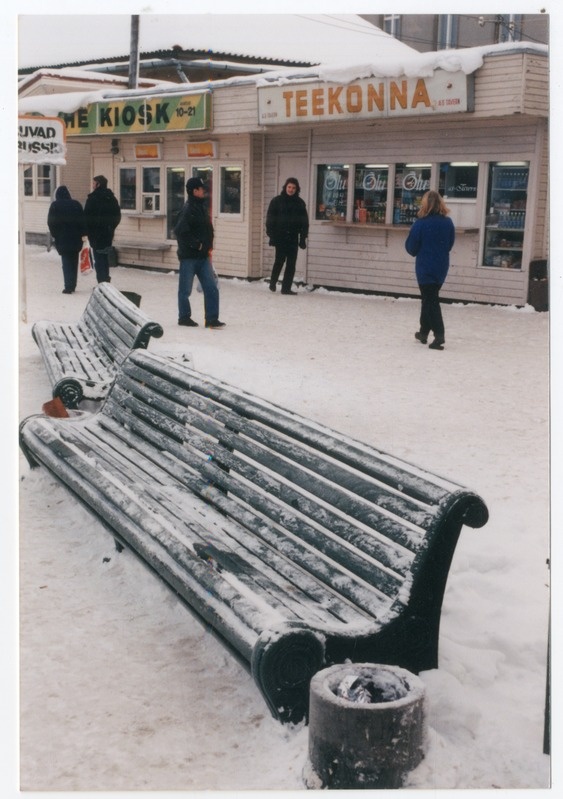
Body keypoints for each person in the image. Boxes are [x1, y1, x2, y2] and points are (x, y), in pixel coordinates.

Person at [405, 190, 455, 350]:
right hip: (441, 266)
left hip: (425, 266)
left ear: (425, 204)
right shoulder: (448, 223)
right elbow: (449, 244)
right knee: (428, 298)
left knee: (431, 300)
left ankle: (439, 335)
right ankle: (423, 332)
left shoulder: (420, 224)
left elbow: (411, 248)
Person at [174, 176, 225, 328]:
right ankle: (184, 317)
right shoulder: (188, 208)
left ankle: (211, 319)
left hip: (203, 257)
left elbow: (207, 229)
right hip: (189, 257)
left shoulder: (201, 207)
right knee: (185, 290)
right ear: (195, 191)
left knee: (211, 288)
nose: (204, 191)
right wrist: (198, 245)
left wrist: (208, 245)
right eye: (202, 189)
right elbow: (180, 231)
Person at [266, 177, 309, 295]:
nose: (291, 190)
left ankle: (286, 288)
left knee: (291, 264)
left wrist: (303, 238)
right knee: (279, 261)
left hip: (293, 238)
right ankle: (273, 282)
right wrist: (271, 235)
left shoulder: (300, 203)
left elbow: (304, 223)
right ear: (285, 187)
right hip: (280, 236)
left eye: (294, 188)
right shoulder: (276, 201)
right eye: (289, 187)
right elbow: (270, 220)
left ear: (297, 189)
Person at [47, 186, 86, 294]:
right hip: (76, 238)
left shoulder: (55, 206)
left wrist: (56, 235)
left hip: (63, 238)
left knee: (66, 262)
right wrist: (82, 235)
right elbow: (83, 222)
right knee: (74, 261)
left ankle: (68, 286)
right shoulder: (76, 205)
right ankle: (72, 284)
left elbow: (51, 223)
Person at [83, 175, 121, 284]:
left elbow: (87, 217)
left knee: (98, 259)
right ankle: (106, 280)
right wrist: (111, 227)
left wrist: (88, 231)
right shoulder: (111, 198)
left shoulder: (93, 198)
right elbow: (117, 216)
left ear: (98, 184)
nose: (93, 185)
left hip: (96, 234)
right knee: (104, 257)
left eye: (94, 183)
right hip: (108, 233)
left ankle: (101, 282)